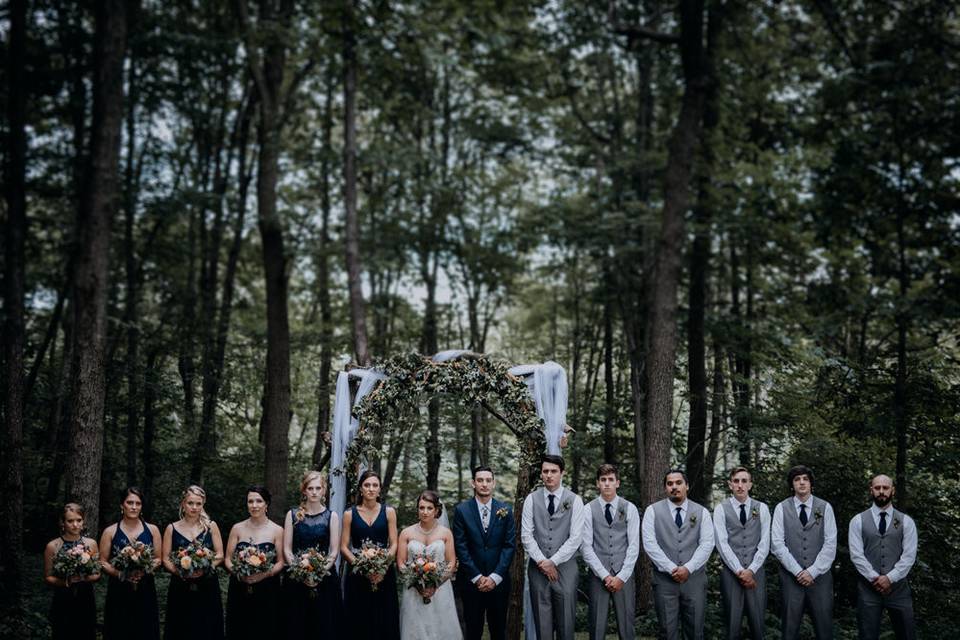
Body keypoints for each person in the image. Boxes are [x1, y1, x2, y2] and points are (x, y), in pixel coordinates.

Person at [641, 469, 714, 640]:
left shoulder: (702, 512)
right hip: (664, 581)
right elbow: (650, 545)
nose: (674, 487)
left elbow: (707, 544)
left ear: (687, 486)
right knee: (666, 631)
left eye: (678, 483)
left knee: (695, 631)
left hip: (694, 580)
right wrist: (672, 568)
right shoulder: (653, 511)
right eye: (670, 484)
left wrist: (688, 568)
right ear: (665, 488)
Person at [520, 454, 585, 640]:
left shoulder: (575, 500)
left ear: (562, 473)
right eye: (545, 471)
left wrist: (553, 562)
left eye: (553, 471)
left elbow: (575, 538)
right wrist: (542, 562)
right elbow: (526, 535)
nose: (549, 475)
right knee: (543, 626)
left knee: (566, 624)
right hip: (537, 569)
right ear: (541, 474)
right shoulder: (531, 500)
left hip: (566, 569)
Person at [771, 465, 837, 640]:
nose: (801, 482)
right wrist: (798, 572)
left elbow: (830, 544)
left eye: (805, 479)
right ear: (792, 485)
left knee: (824, 630)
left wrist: (812, 571)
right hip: (791, 580)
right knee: (789, 632)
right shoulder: (781, 508)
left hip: (820, 580)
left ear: (811, 484)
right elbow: (777, 544)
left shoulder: (825, 507)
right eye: (797, 479)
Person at [848, 474, 917, 640]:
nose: (881, 491)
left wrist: (890, 578)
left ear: (892, 491)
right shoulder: (857, 521)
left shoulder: (906, 522)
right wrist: (876, 578)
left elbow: (909, 556)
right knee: (867, 635)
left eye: (885, 488)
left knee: (907, 635)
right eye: (877, 488)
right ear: (871, 490)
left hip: (899, 590)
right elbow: (856, 555)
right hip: (868, 591)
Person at [452, 465, 516, 640]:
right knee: (472, 631)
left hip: (499, 583)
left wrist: (495, 577)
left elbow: (509, 546)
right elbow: (461, 546)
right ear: (473, 483)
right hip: (471, 582)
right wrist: (478, 577)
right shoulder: (461, 511)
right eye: (480, 480)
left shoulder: (506, 510)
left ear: (494, 483)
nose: (484, 484)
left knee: (498, 631)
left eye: (488, 480)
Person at [580, 464, 640, 640]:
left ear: (617, 483)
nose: (607, 484)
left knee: (627, 626)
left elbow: (634, 545)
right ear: (597, 483)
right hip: (598, 576)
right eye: (603, 480)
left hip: (624, 576)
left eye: (610, 480)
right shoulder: (588, 509)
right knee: (597, 626)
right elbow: (586, 547)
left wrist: (622, 576)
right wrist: (605, 575)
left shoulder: (629, 508)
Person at [340, 470, 400, 640]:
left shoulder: (389, 512)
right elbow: (344, 547)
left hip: (384, 574)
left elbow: (394, 543)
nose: (371, 489)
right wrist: (361, 566)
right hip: (357, 575)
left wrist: (382, 567)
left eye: (375, 485)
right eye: (367, 485)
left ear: (380, 489)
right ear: (360, 489)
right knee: (358, 619)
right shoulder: (349, 514)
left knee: (384, 619)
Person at [712, 467, 770, 640]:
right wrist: (739, 570)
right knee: (731, 625)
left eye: (744, 481)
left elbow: (765, 542)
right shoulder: (721, 509)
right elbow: (721, 543)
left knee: (758, 625)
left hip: (757, 574)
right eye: (736, 481)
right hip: (731, 574)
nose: (740, 485)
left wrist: (751, 570)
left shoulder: (762, 508)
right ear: (730, 485)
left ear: (750, 484)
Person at [160, 485, 224, 640]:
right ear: (183, 503)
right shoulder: (172, 528)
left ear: (203, 504)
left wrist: (205, 568)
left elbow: (220, 555)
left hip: (207, 585)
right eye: (190, 503)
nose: (194, 507)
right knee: (181, 627)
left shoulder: (211, 526)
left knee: (206, 626)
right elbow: (165, 558)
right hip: (180, 585)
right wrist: (180, 571)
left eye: (198, 504)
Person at [397, 490, 462, 640]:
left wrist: (435, 583)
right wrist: (416, 582)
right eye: (421, 508)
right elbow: (400, 563)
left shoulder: (446, 533)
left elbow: (451, 562)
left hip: (440, 590)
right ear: (417, 509)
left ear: (437, 510)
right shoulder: (406, 533)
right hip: (414, 591)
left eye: (429, 508)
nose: (425, 512)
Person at [282, 470, 340, 637]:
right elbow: (287, 548)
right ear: (304, 490)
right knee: (296, 624)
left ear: (324, 490)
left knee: (322, 625)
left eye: (318, 488)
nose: (314, 492)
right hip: (296, 578)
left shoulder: (331, 516)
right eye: (310, 488)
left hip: (324, 578)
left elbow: (334, 551)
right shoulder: (292, 515)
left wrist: (319, 572)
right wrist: (299, 570)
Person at [99, 486, 162, 640]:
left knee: (145, 631)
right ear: (122, 505)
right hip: (118, 589)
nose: (134, 507)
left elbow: (158, 558)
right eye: (130, 502)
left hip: (145, 588)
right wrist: (120, 574)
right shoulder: (110, 531)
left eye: (138, 503)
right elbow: (102, 561)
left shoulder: (153, 530)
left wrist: (145, 570)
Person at [224, 485, 285, 640]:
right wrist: (239, 573)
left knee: (266, 629)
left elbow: (281, 562)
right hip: (240, 587)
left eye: (259, 501)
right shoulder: (237, 528)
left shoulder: (277, 530)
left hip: (268, 589)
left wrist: (265, 573)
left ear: (267, 504)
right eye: (250, 501)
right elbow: (228, 559)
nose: (254, 505)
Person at [44, 503, 100, 640]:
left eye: (79, 520)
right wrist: (65, 582)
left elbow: (97, 573)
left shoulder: (91, 543)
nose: (75, 524)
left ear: (83, 521)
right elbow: (48, 577)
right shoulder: (53, 546)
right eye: (70, 521)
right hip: (63, 598)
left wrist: (83, 579)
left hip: (85, 597)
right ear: (62, 523)